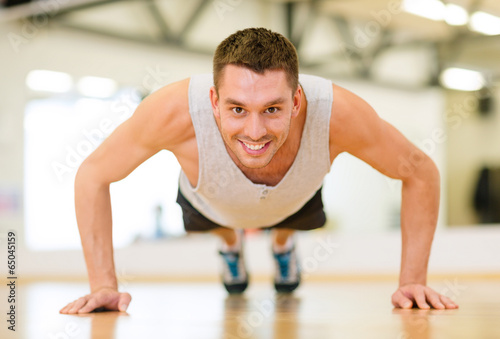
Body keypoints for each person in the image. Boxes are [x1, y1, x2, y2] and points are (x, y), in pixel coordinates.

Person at [59, 27, 458, 314]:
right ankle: (231, 247)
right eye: (237, 109)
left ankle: (282, 245)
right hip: (210, 203)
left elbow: (420, 173)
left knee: (288, 213)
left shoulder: (339, 114)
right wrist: (104, 286)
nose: (254, 131)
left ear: (297, 100)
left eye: (272, 109)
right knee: (222, 224)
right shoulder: (171, 111)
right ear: (213, 101)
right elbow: (93, 175)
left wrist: (412, 281)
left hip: (295, 199)